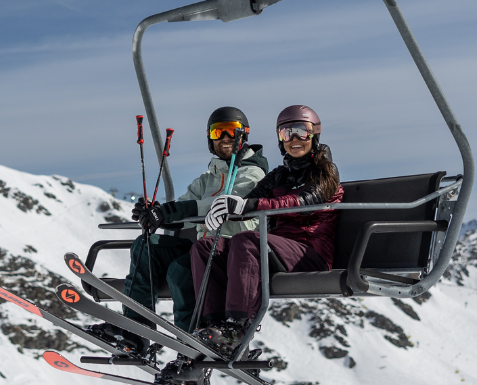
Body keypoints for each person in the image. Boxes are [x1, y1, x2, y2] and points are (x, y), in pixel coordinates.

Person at [88, 106, 268, 354]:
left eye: (232, 131)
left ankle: (191, 347)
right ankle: (135, 331)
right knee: (145, 246)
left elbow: (223, 207)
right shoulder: (208, 178)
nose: (225, 138)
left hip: (230, 251)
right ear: (209, 138)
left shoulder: (253, 174)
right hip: (202, 246)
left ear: (244, 135)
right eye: (218, 133)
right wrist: (155, 215)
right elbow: (184, 212)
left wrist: (172, 212)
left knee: (180, 268)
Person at [188, 104, 343, 357]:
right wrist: (227, 209)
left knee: (248, 241)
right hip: (277, 252)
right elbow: (249, 200)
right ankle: (211, 327)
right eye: (286, 133)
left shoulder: (325, 173)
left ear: (314, 134)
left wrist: (248, 205)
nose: (294, 139)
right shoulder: (278, 175)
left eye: (301, 132)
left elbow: (300, 204)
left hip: (310, 253)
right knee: (206, 246)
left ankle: (237, 330)